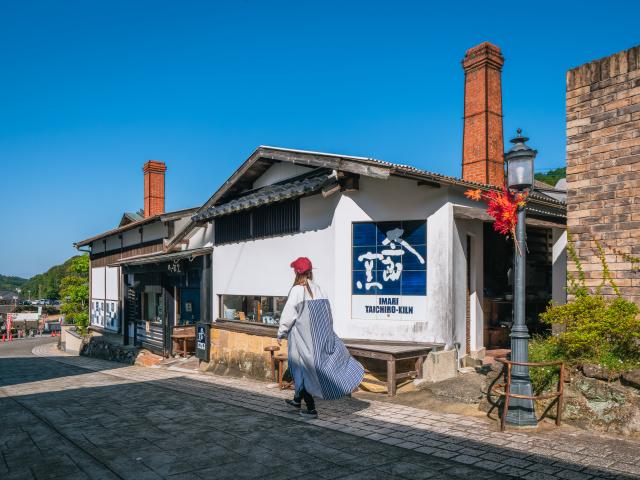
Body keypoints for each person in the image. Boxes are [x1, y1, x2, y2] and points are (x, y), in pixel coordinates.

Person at [277, 257, 364, 419]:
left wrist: (281, 332)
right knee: (304, 372)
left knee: (303, 372)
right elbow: (328, 317)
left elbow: (288, 316)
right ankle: (297, 399)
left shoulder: (297, 290)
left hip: (301, 342)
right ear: (310, 272)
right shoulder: (319, 289)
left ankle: (311, 410)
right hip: (319, 341)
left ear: (296, 273)